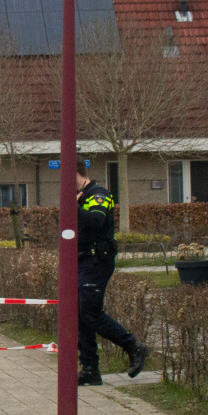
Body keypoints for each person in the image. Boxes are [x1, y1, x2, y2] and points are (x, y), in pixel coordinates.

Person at [75, 159, 151, 386]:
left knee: (90, 312)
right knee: (81, 315)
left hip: (97, 261)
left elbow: (96, 221)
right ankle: (90, 369)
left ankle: (134, 347)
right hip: (83, 261)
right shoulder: (82, 197)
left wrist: (73, 206)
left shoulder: (99, 195)